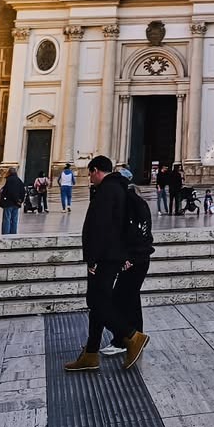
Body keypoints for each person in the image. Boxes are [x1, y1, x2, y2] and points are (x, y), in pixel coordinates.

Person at [64, 155, 148, 374]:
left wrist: (92, 258)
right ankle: (91, 353)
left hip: (104, 256)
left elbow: (99, 228)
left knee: (96, 301)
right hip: (112, 254)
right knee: (97, 302)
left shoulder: (107, 191)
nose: (90, 178)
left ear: (95, 170)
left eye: (90, 174)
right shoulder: (119, 188)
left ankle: (131, 336)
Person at [102, 166, 155, 358]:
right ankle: (135, 337)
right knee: (131, 299)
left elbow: (134, 232)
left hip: (134, 259)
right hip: (140, 258)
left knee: (119, 300)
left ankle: (124, 340)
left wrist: (129, 257)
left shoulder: (129, 202)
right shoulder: (137, 201)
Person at [0, 167, 26, 235]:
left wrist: (2, 200)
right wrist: (20, 201)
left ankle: (5, 233)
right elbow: (23, 191)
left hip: (8, 202)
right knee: (14, 219)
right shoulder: (19, 180)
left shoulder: (9, 180)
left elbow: (6, 191)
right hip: (16, 203)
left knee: (7, 218)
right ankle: (13, 233)